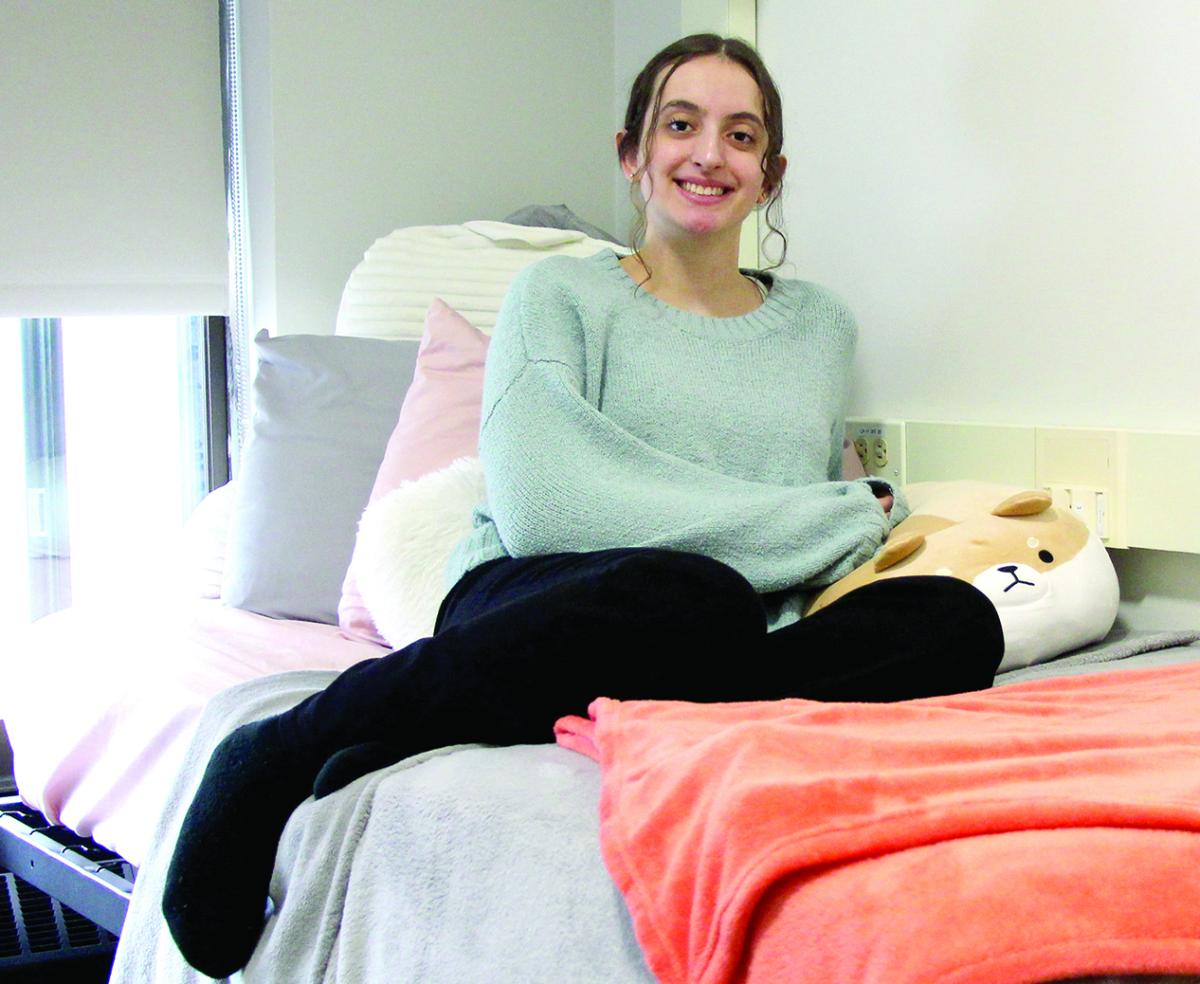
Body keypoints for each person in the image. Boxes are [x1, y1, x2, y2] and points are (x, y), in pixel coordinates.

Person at [162, 34, 1003, 978]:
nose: (707, 154)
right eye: (679, 125)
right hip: (543, 597)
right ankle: (281, 748)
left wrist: (833, 530)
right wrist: (840, 515)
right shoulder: (558, 294)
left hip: (735, 634)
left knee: (959, 620)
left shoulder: (819, 326)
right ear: (631, 154)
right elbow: (550, 504)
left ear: (770, 173)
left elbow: (810, 513)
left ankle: (438, 724)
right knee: (690, 598)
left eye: (740, 134)